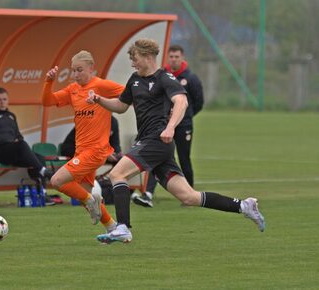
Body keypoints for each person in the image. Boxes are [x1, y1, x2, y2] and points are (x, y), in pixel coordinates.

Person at [86, 39, 265, 244]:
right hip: (152, 143)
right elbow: (120, 105)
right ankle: (244, 206)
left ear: (147, 57)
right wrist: (99, 100)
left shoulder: (165, 78)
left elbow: (181, 101)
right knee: (188, 196)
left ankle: (123, 227)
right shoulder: (134, 80)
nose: (132, 63)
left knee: (118, 173)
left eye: (134, 58)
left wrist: (170, 127)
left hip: (156, 140)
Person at [41, 50, 124, 232]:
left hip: (96, 151)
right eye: (73, 70)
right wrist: (49, 81)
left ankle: (90, 200)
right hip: (82, 151)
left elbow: (127, 93)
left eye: (80, 70)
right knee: (82, 190)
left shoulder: (101, 85)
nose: (76, 74)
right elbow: (47, 101)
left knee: (57, 181)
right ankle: (114, 229)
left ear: (91, 68)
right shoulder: (73, 90)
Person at [132, 44, 204, 208]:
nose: (173, 60)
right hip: (163, 125)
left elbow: (198, 102)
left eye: (176, 57)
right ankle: (148, 194)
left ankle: (190, 195)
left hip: (183, 125)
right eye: (171, 56)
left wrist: (186, 117)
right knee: (155, 157)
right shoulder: (161, 76)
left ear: (182, 58)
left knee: (184, 158)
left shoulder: (190, 78)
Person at [0, 87, 53, 207]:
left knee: (39, 157)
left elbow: (18, 135)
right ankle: (43, 170)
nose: (2, 102)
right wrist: (12, 141)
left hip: (11, 151)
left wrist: (16, 140)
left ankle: (42, 194)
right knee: (22, 146)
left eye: (4, 99)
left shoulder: (11, 116)